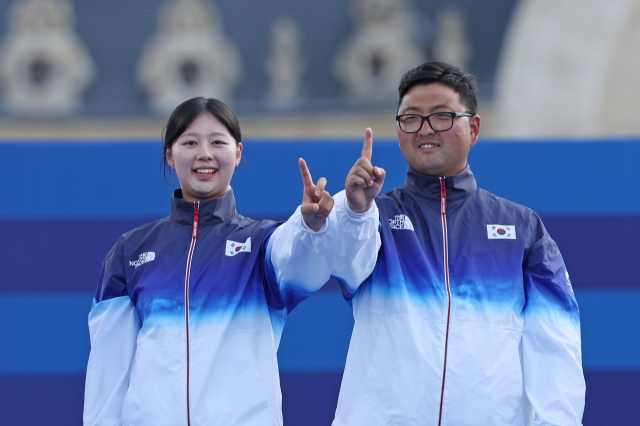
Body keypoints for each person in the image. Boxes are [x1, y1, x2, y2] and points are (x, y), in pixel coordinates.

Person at [82, 97, 381, 426]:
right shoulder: (131, 251)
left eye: (218, 142)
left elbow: (302, 266)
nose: (205, 154)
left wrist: (309, 225)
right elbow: (108, 376)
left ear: (237, 153)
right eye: (191, 142)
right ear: (169, 154)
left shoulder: (261, 243)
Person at [333, 61, 585, 426]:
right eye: (412, 118)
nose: (425, 129)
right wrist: (354, 212)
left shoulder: (523, 228)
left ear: (474, 128)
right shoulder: (371, 217)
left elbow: (554, 348)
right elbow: (332, 263)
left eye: (441, 116)